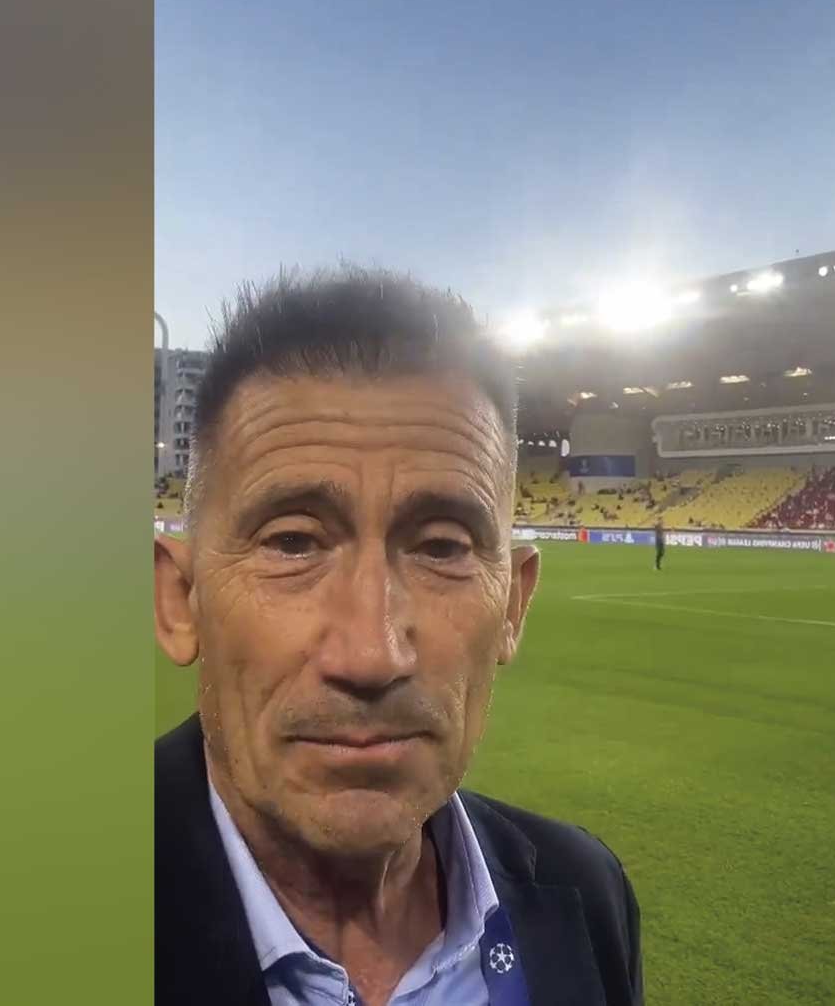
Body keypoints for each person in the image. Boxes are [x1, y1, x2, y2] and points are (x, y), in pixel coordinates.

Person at [154, 267, 643, 1006]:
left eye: (442, 546)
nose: (372, 653)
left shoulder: (585, 889)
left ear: (512, 605)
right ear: (180, 600)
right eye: (292, 543)